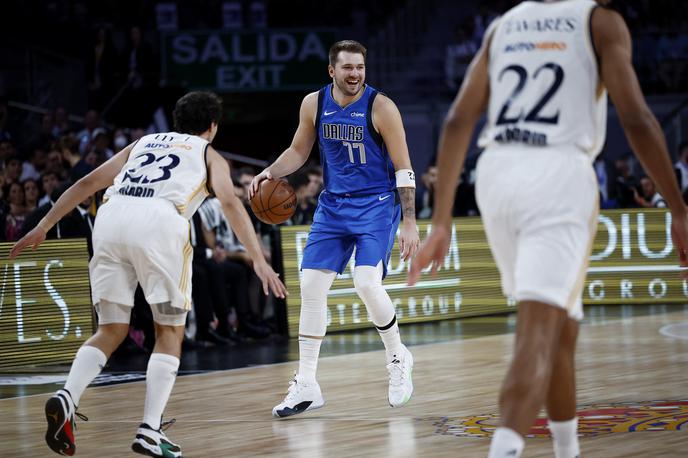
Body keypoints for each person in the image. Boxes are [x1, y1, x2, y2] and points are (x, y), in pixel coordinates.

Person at [408, 2, 688, 458]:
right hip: (559, 173)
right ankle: (506, 447)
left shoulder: (503, 25)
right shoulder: (600, 20)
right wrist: (678, 208)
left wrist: (441, 222)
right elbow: (637, 119)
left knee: (561, 328)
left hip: (496, 175)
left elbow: (459, 120)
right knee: (537, 333)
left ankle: (567, 450)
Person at [10, 91, 287, 457]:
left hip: (109, 219)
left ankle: (67, 396)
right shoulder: (208, 153)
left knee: (110, 329)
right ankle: (149, 430)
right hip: (158, 220)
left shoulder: (142, 143)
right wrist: (258, 259)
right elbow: (231, 202)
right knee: (169, 330)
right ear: (213, 126)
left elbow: (85, 185)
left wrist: (43, 225)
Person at [250, 39, 420, 418]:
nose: (355, 73)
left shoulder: (382, 107)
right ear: (332, 71)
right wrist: (269, 172)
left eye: (360, 67)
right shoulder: (314, 103)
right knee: (310, 286)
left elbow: (404, 168)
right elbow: (299, 150)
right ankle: (307, 383)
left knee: (365, 283)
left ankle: (397, 355)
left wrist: (409, 221)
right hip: (333, 206)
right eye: (347, 68)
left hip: (375, 205)